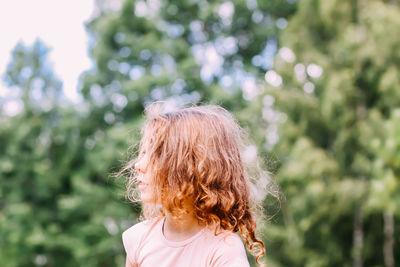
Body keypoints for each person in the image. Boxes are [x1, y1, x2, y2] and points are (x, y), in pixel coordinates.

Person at [119, 103, 268, 267]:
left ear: (192, 167)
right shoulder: (138, 239)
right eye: (144, 153)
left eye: (155, 154)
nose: (139, 165)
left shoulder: (223, 250)